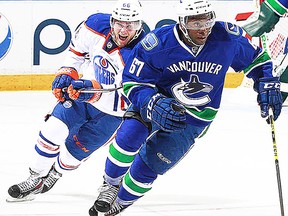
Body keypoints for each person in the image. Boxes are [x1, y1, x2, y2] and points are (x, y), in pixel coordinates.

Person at [88, 0, 283, 215]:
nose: (204, 28)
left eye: (207, 19)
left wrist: (267, 82)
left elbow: (257, 61)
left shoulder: (227, 37)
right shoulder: (158, 43)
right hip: (158, 101)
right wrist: (152, 102)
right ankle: (110, 184)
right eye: (195, 23)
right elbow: (133, 81)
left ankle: (122, 200)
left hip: (197, 115)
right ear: (182, 22)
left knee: (153, 163)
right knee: (129, 136)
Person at [7, 0, 145, 202]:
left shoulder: (143, 53)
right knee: (52, 130)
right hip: (81, 95)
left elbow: (131, 94)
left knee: (72, 155)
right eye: (120, 23)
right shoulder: (96, 26)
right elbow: (76, 53)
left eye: (130, 25)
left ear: (139, 25)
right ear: (112, 20)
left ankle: (55, 173)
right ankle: (35, 177)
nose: (124, 29)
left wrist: (94, 91)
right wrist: (67, 72)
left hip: (113, 114)